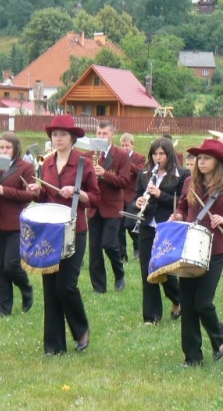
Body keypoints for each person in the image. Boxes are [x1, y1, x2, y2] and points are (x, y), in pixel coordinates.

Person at [171, 139, 223, 365]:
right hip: (189, 248)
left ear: (217, 162)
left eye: (207, 158)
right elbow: (182, 206)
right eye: (199, 158)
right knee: (187, 303)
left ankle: (218, 335)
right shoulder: (190, 182)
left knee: (203, 303)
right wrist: (178, 215)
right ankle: (192, 357)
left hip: (214, 250)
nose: (201, 162)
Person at [27, 115, 100, 355]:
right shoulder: (46, 163)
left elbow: (95, 198)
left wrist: (77, 191)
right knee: (50, 288)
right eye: (54, 135)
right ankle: (54, 345)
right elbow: (44, 198)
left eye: (63, 135)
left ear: (72, 138)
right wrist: (36, 191)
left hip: (74, 231)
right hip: (50, 232)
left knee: (66, 286)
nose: (57, 139)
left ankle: (81, 330)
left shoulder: (83, 163)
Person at [134, 137, 188, 324]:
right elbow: (135, 197)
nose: (157, 158)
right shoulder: (144, 174)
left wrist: (160, 194)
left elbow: (182, 201)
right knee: (147, 270)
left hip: (167, 227)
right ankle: (151, 317)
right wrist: (138, 202)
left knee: (163, 269)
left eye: (161, 154)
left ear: (169, 155)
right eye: (154, 154)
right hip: (147, 226)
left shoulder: (182, 174)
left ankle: (178, 299)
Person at [0, 132, 36, 317]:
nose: (4, 150)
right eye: (1, 147)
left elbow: (29, 195)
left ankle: (26, 289)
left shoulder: (26, 167)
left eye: (8, 147)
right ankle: (4, 308)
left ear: (16, 148)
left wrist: (5, 190)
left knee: (11, 265)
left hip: (16, 224)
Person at [87, 120, 130, 293]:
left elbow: (124, 181)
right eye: (98, 133)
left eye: (104, 133)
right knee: (94, 249)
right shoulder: (89, 154)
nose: (101, 136)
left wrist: (104, 174)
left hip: (112, 207)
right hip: (93, 207)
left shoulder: (121, 155)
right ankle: (99, 287)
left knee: (109, 244)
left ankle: (119, 273)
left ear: (112, 134)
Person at [118, 132, 146, 263]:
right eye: (122, 145)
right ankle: (122, 255)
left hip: (132, 196)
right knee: (119, 228)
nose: (124, 148)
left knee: (130, 223)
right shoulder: (118, 157)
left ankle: (138, 245)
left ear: (132, 145)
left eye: (127, 145)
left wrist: (127, 161)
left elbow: (140, 172)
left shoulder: (139, 158)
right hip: (119, 196)